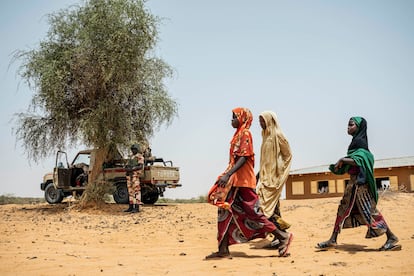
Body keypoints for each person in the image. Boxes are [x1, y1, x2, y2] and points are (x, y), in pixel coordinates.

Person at [206, 107, 293, 259]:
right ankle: (223, 249)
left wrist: (228, 174)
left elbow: (244, 157)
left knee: (254, 213)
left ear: (242, 118)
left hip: (243, 182)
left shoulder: (245, 133)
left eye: (234, 117)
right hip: (235, 181)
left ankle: (282, 236)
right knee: (224, 211)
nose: (231, 120)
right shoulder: (238, 134)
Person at [316, 117, 401, 251]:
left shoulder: (360, 142)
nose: (348, 127)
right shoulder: (355, 143)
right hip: (353, 184)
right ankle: (333, 239)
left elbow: (362, 159)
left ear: (359, 127)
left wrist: (343, 160)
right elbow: (355, 159)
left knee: (370, 212)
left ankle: (391, 237)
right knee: (342, 209)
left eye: (351, 125)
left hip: (362, 186)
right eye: (347, 125)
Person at [256, 111, 292, 249]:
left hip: (273, 180)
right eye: (260, 121)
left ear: (270, 120)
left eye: (263, 121)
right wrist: (259, 175)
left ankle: (282, 236)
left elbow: (288, 155)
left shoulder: (278, 135)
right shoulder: (264, 135)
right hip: (264, 179)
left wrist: (279, 173)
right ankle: (280, 235)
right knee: (272, 209)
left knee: (263, 208)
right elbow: (265, 160)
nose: (260, 124)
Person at [124, 144, 144, 213]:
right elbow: (126, 166)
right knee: (130, 192)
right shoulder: (131, 157)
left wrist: (132, 169)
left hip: (135, 176)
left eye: (134, 149)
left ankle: (137, 207)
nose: (133, 150)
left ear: (137, 149)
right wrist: (127, 169)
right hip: (129, 176)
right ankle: (131, 206)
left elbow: (140, 166)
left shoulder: (139, 156)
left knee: (136, 191)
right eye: (132, 149)